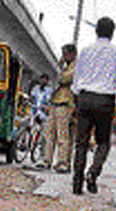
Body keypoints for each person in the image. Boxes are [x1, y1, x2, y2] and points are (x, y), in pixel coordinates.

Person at [71, 16, 116, 194]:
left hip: (85, 98)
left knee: (81, 143)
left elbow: (76, 80)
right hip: (105, 101)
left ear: (96, 31)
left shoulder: (85, 51)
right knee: (103, 142)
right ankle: (93, 173)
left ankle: (77, 183)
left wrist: (76, 103)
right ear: (112, 33)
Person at [40, 44, 77, 173]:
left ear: (72, 54)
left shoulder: (75, 67)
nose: (63, 57)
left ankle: (62, 163)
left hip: (65, 103)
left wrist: (60, 68)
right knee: (49, 134)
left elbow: (64, 79)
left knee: (62, 136)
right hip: (55, 102)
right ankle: (46, 160)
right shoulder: (65, 67)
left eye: (65, 54)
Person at [30, 73, 53, 167]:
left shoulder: (49, 91)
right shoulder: (35, 88)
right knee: (24, 124)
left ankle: (42, 155)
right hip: (34, 112)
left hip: (44, 115)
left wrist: (47, 107)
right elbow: (31, 97)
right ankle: (23, 142)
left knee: (44, 136)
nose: (43, 81)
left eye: (45, 79)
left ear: (47, 81)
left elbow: (50, 101)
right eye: (42, 79)